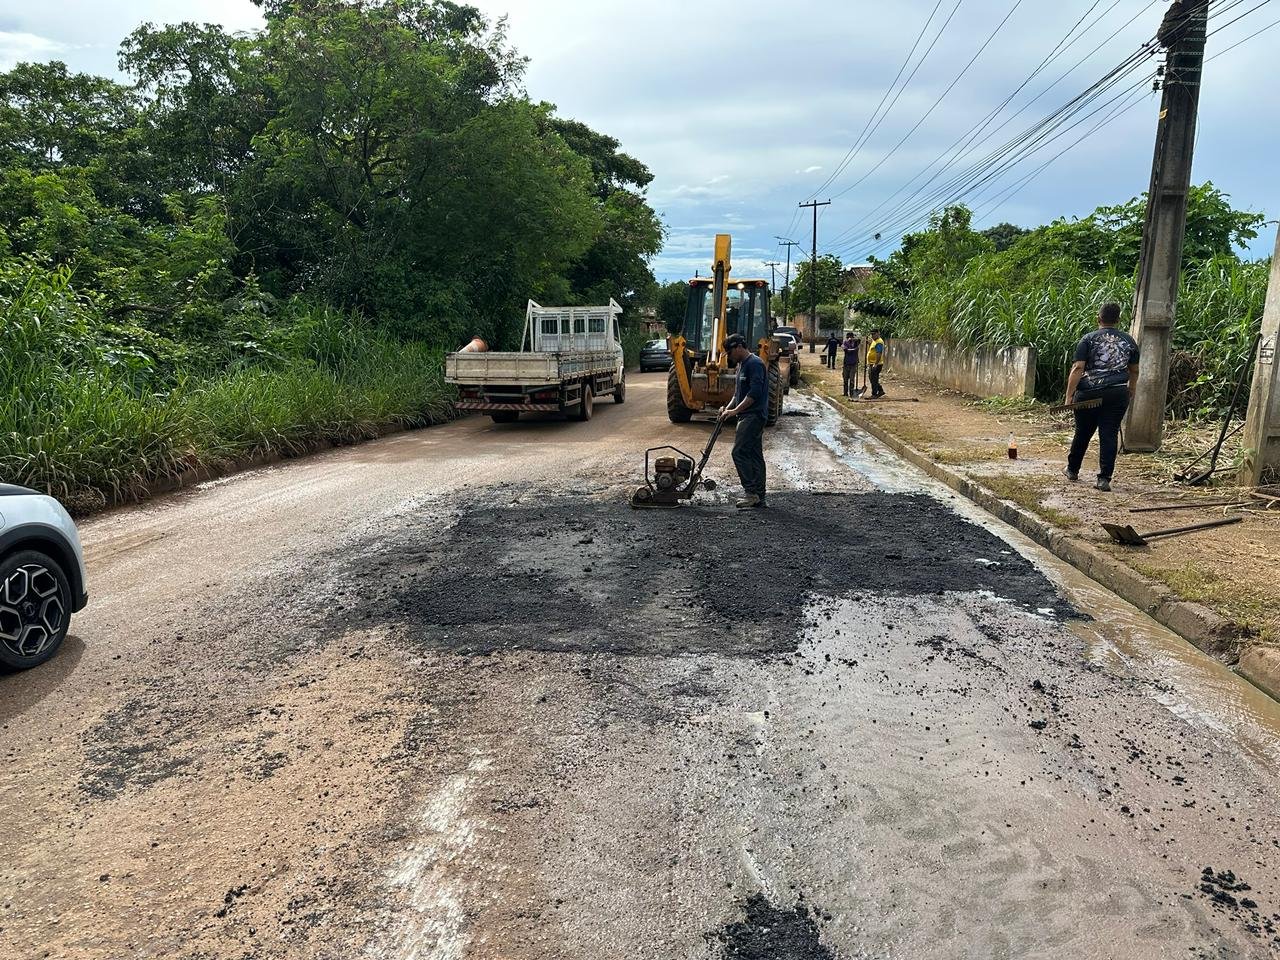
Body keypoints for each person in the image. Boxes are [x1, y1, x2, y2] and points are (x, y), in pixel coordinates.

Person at [1064, 302, 1140, 492]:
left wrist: (1069, 396)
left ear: (1098, 318)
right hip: (1117, 392)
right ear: (1118, 320)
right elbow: (1134, 370)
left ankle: (1072, 470)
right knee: (1109, 434)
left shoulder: (1088, 339)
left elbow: (1078, 368)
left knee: (1083, 432)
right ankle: (1104, 479)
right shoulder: (1129, 341)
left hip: (1089, 393)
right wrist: (1131, 388)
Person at [720, 333, 768, 508]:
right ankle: (759, 495)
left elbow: (754, 394)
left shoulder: (755, 364)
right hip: (747, 415)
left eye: (730, 352)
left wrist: (735, 411)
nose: (730, 356)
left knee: (738, 452)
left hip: (753, 416)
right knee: (755, 455)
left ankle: (750, 492)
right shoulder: (742, 365)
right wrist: (728, 408)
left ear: (739, 347)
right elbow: (737, 393)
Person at [866, 328, 886, 398]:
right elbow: (873, 350)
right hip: (872, 363)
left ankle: (874, 394)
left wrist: (876, 363)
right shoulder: (874, 341)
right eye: (872, 334)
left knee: (874, 379)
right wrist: (869, 344)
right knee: (872, 378)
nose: (872, 335)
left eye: (874, 334)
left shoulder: (879, 342)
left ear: (878, 333)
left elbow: (879, 353)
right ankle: (880, 390)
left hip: (876, 364)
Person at [841, 331, 860, 396]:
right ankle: (845, 393)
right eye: (848, 337)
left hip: (854, 363)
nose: (849, 339)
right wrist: (854, 349)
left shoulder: (856, 342)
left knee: (852, 379)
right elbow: (846, 350)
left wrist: (853, 340)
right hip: (846, 363)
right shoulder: (845, 342)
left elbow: (859, 340)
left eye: (850, 337)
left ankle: (851, 393)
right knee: (845, 379)